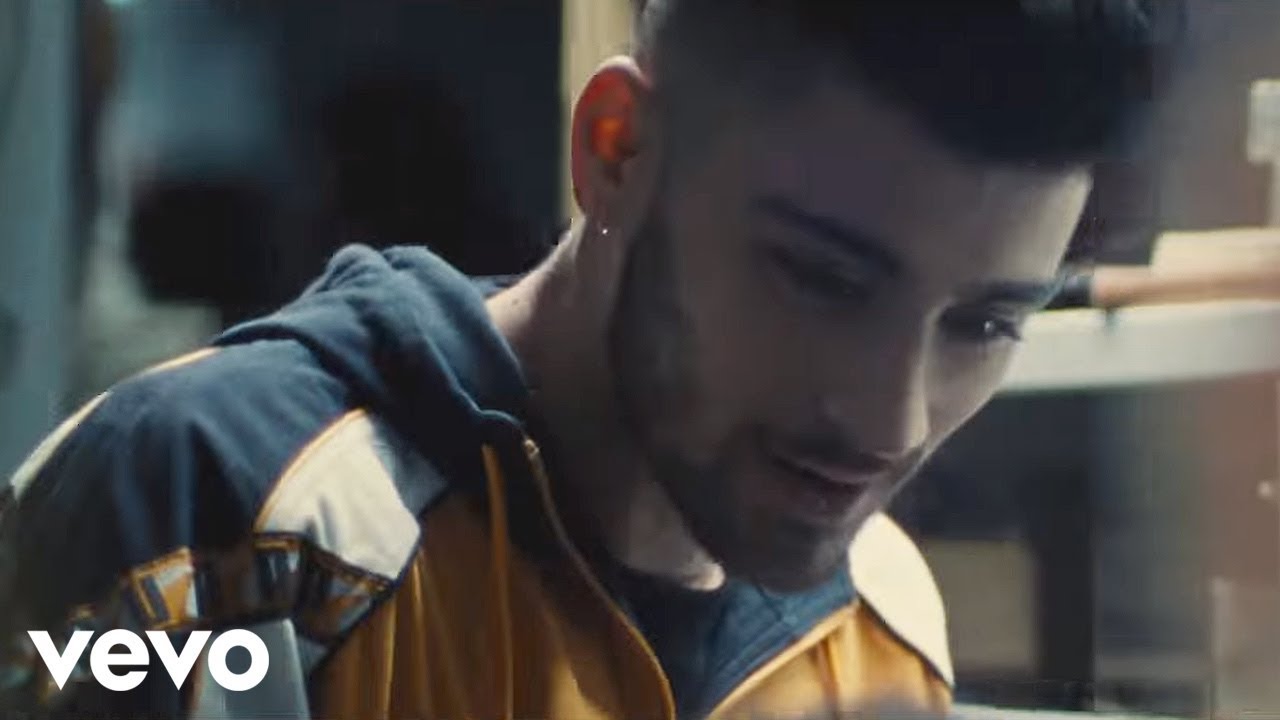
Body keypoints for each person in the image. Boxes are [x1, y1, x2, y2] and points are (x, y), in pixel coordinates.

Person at [0, 1, 1179, 718]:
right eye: (822, 279)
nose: (890, 420)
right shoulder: (199, 510)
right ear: (617, 152)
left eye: (983, 323)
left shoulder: (883, 624)